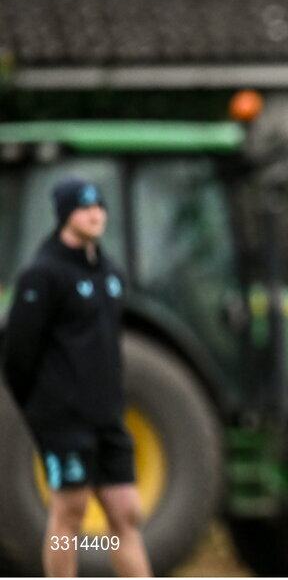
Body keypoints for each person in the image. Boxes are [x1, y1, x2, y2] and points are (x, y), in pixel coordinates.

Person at [2, 178, 151, 577]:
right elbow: (18, 353)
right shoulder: (43, 275)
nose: (95, 215)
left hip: (108, 416)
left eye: (99, 207)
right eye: (85, 208)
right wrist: (42, 409)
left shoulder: (109, 272)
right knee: (71, 511)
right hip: (63, 419)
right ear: (66, 215)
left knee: (125, 512)